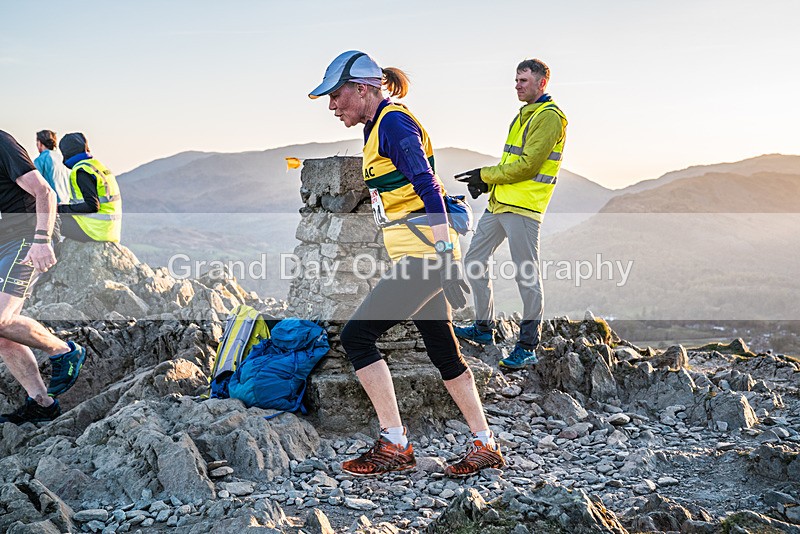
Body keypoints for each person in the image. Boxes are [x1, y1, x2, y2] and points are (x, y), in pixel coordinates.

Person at [309, 50, 504, 477]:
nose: (331, 105)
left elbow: (429, 188)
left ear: (362, 89)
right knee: (442, 350)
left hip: (425, 256)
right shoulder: (377, 126)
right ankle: (485, 444)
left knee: (357, 338)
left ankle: (395, 444)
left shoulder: (393, 123)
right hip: (420, 252)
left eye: (336, 95)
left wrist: (444, 259)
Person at [454, 58, 567, 369]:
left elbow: (528, 165)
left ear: (542, 83)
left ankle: (528, 345)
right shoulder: (523, 115)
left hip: (525, 208)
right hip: (500, 203)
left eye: (524, 81)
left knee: (526, 275)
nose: (517, 86)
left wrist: (484, 175)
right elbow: (513, 163)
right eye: (516, 80)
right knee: (474, 260)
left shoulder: (549, 117)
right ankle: (483, 329)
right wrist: (486, 185)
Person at [0, 130, 87, 425]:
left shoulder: (1, 143)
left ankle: (64, 351)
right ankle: (43, 404)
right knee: (3, 334)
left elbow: (44, 192)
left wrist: (41, 239)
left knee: (0, 318)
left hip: (26, 237)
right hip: (3, 244)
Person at [57, 132, 122, 243]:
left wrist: (59, 209)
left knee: (46, 218)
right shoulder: (98, 166)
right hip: (109, 231)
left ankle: (49, 254)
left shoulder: (82, 171)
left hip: (94, 230)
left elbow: (92, 206)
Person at [33, 130, 70, 203]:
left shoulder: (41, 160)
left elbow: (34, 184)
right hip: (67, 204)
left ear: (40, 143)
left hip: (52, 204)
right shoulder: (62, 158)